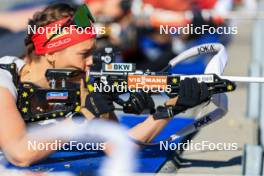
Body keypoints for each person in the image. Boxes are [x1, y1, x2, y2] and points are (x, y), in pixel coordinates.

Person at [0, 3, 210, 167]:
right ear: (52, 53)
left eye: (92, 52)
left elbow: (118, 144)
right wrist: (82, 118)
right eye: (84, 54)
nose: (92, 61)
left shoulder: (78, 85)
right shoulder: (4, 79)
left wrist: (171, 108)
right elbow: (20, 155)